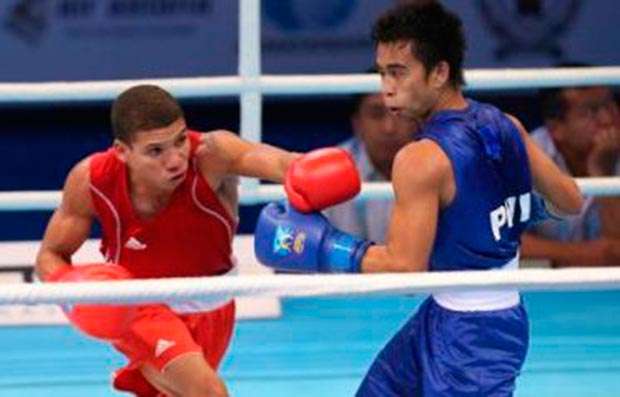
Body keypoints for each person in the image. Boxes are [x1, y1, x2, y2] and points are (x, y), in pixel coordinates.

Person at [254, 2, 583, 396]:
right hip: (455, 317)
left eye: (398, 72)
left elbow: (404, 267)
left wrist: (321, 247)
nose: (386, 87)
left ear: (440, 72)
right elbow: (570, 200)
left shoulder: (419, 158)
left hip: (474, 339)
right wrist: (503, 214)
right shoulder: (506, 125)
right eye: (382, 73)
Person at [34, 84, 312, 397]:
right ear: (122, 151)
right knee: (208, 392)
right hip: (136, 305)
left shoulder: (212, 154)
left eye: (180, 140)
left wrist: (312, 171)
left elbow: (282, 163)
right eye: (156, 150)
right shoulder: (91, 179)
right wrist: (74, 291)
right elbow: (50, 255)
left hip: (213, 302)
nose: (176, 159)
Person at [521, 75, 620, 267]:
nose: (608, 119)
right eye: (591, 111)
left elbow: (616, 252)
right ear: (556, 128)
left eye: (611, 106)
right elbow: (496, 240)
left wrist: (603, 172)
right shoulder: (523, 155)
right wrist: (580, 254)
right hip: (547, 283)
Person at [323, 77, 419, 242]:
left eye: (400, 113)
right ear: (357, 124)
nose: (389, 128)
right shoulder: (327, 171)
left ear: (419, 120)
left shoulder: (441, 164)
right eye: (376, 114)